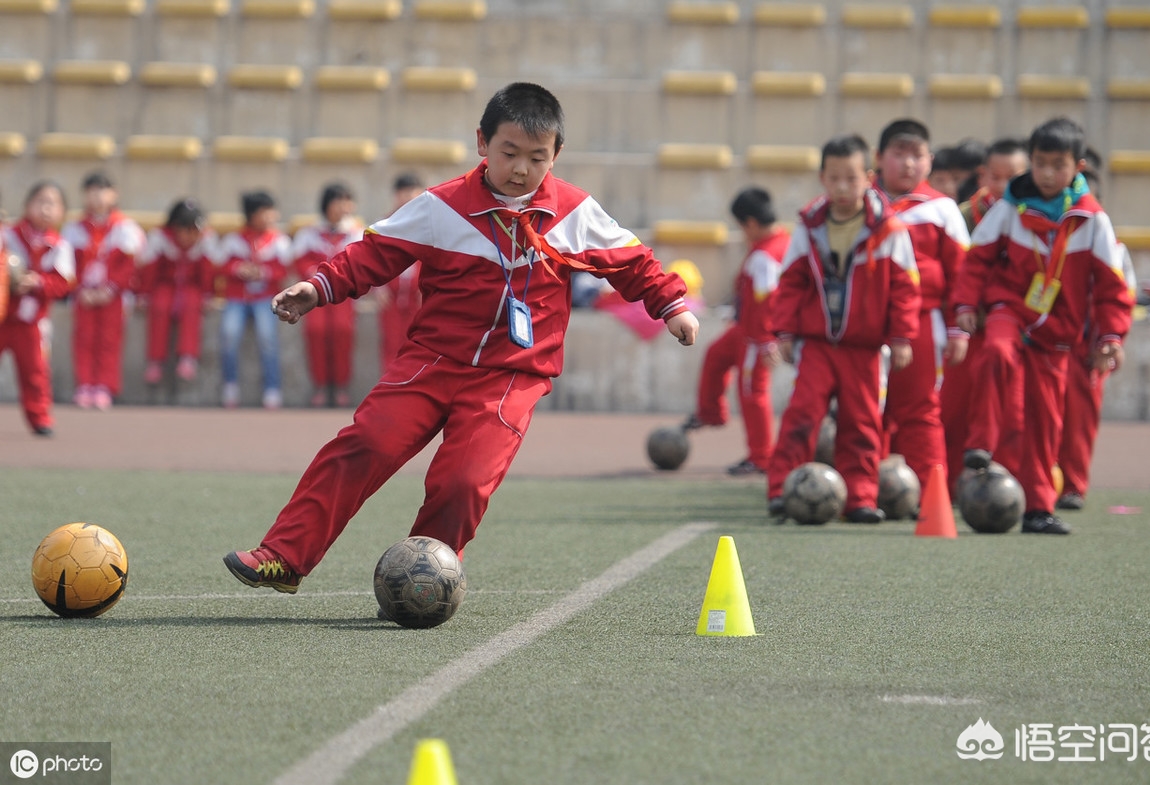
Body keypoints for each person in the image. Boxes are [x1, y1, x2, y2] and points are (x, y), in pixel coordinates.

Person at [223, 82, 698, 593]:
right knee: (365, 443)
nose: (520, 169)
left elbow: (632, 262)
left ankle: (422, 583)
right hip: (431, 361)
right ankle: (283, 555)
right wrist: (318, 286)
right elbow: (371, 253)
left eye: (537, 158)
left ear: (556, 154)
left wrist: (671, 305)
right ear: (482, 143)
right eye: (508, 153)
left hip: (513, 376)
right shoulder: (441, 206)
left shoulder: (577, 213)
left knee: (463, 481)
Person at [952, 117, 1134, 534]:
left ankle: (1038, 509)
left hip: (1058, 336)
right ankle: (980, 442)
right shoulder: (1009, 208)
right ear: (1029, 163)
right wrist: (965, 304)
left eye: (1058, 165)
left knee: (1044, 423)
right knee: (995, 354)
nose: (1048, 173)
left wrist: (1111, 336)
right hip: (1009, 311)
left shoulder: (1093, 221)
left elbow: (1112, 288)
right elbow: (976, 259)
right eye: (1040, 163)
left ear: (1078, 167)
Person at [766, 134, 920, 523]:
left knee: (863, 424)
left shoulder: (889, 229)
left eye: (851, 179)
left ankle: (861, 499)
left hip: (864, 348)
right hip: (817, 345)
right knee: (801, 417)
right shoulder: (809, 226)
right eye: (834, 179)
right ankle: (783, 489)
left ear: (868, 177)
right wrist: (784, 331)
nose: (842, 188)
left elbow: (906, 288)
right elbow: (790, 282)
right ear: (822, 178)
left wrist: (901, 337)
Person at [874, 119, 972, 496]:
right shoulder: (861, 205)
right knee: (867, 413)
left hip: (922, 325)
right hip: (867, 325)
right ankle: (866, 492)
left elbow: (961, 275)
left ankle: (931, 495)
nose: (908, 164)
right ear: (879, 158)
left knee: (920, 411)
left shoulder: (943, 210)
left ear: (929, 161)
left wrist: (958, 328)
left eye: (916, 155)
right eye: (899, 154)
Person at [942, 137, 1030, 490]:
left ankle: (1004, 488)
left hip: (1012, 327)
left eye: (1013, 177)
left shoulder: (1036, 218)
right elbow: (958, 270)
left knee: (1013, 411)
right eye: (995, 176)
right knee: (953, 408)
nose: (1003, 186)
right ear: (982, 176)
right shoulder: (962, 215)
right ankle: (944, 487)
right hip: (966, 326)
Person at [681, 186, 789, 475]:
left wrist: (768, 340)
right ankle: (711, 413)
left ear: (751, 223)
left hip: (758, 336)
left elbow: (768, 300)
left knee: (753, 392)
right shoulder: (775, 245)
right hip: (744, 329)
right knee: (716, 355)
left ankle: (762, 456)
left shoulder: (766, 255)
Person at [1056, 168, 1137, 511]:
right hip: (1050, 341)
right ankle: (1037, 482)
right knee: (1041, 416)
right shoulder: (1051, 240)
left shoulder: (1114, 249)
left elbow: (1121, 297)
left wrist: (1110, 340)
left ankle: (1073, 486)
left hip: (1088, 349)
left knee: (1079, 420)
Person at [61, 172, 145, 410]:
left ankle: (105, 386)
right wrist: (79, 289)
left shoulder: (125, 228)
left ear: (113, 194)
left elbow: (129, 266)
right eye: (91, 191)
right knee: (84, 338)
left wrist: (110, 288)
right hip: (84, 295)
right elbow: (68, 264)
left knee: (109, 340)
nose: (97, 196)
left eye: (102, 190)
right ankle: (85, 383)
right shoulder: (74, 229)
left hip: (113, 296)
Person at [0, 181, 75, 435]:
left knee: (35, 372)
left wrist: (37, 282)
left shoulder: (59, 245)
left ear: (62, 212)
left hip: (32, 321)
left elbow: (63, 283)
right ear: (27, 205)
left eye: (52, 204)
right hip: (3, 314)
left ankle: (39, 416)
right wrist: (8, 280)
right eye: (40, 202)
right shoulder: (8, 235)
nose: (45, 209)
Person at [212, 190, 291, 409]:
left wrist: (263, 272)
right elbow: (221, 265)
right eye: (265, 212)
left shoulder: (279, 240)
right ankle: (230, 385)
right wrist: (239, 269)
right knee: (229, 334)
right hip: (237, 297)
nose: (270, 216)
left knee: (268, 338)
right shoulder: (234, 239)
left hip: (267, 298)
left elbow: (284, 269)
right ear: (252, 215)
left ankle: (272, 388)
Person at [292, 183, 364, 407]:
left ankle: (341, 386)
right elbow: (299, 260)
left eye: (347, 201)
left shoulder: (357, 232)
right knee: (316, 332)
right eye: (339, 200)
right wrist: (313, 272)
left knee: (343, 333)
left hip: (344, 294)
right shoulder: (309, 233)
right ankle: (320, 385)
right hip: (316, 293)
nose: (344, 206)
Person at [136, 198, 218, 386]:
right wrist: (143, 294)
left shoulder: (205, 239)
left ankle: (188, 358)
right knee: (159, 306)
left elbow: (208, 271)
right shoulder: (160, 238)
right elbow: (150, 270)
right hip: (165, 285)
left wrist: (208, 294)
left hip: (192, 286)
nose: (188, 236)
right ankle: (156, 361)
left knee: (192, 305)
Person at [374, 173, 425, 370]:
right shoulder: (384, 224)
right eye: (404, 192)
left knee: (418, 343)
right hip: (391, 295)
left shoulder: (430, 223)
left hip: (417, 294)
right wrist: (378, 286)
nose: (408, 197)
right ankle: (389, 387)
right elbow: (375, 259)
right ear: (396, 195)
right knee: (390, 342)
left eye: (413, 192)